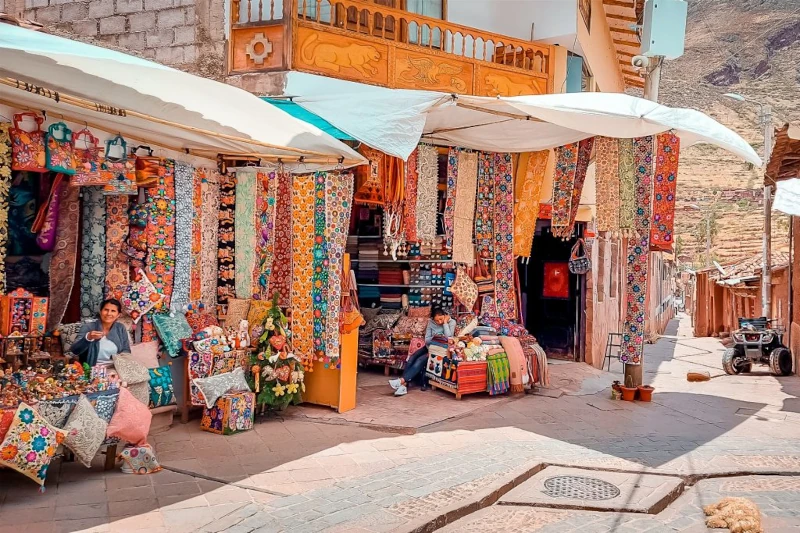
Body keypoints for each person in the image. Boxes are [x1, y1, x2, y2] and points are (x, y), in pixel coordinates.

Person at [389, 307, 456, 397]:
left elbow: (449, 338)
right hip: (429, 347)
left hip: (439, 351)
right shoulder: (431, 323)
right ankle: (403, 385)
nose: (439, 322)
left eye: (441, 319)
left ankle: (401, 382)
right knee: (412, 358)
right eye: (436, 320)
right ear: (433, 319)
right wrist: (436, 338)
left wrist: (445, 323)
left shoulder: (451, 322)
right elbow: (427, 340)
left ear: (445, 316)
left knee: (420, 360)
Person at [70, 298, 131, 367]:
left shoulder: (120, 328)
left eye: (113, 311)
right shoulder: (88, 327)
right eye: (106, 310)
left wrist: (120, 361)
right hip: (92, 370)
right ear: (100, 311)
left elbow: (126, 350)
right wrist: (88, 337)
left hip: (116, 369)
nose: (109, 313)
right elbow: (75, 350)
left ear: (118, 315)